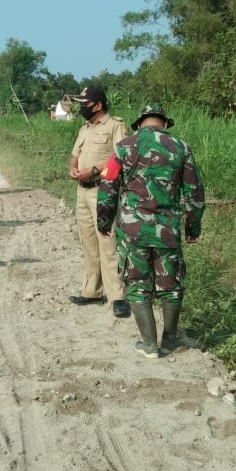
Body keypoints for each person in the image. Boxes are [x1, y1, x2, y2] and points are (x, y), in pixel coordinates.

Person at [96, 103, 206, 358]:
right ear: (165, 123)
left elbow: (108, 187)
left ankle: (149, 345)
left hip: (133, 231)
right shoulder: (181, 147)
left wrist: (104, 222)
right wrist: (193, 227)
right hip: (168, 231)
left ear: (138, 124)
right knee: (171, 285)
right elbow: (195, 192)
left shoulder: (123, 147)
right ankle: (169, 340)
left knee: (137, 285)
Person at [67, 86, 130, 318]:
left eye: (85, 103)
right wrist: (73, 168)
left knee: (108, 240)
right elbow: (75, 154)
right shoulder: (85, 127)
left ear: (98, 105)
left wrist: (93, 170)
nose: (82, 108)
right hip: (81, 192)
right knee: (88, 242)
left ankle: (117, 296)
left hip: (102, 191)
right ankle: (92, 291)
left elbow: (120, 158)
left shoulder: (115, 127)